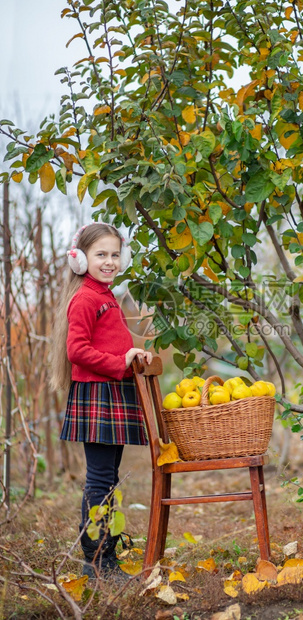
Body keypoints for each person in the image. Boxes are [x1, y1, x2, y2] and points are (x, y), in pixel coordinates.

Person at [50, 222, 152, 579]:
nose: (109, 262)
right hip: (98, 393)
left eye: (114, 255)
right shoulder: (86, 297)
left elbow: (110, 341)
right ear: (80, 259)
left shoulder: (106, 295)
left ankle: (104, 550)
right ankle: (96, 559)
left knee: (107, 476)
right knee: (99, 479)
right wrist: (118, 364)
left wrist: (133, 353)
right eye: (100, 255)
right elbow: (76, 350)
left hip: (112, 393)